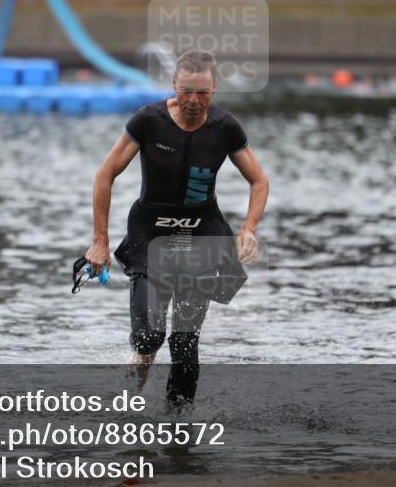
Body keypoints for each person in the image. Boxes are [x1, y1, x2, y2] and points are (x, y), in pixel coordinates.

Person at [84, 49, 269, 410]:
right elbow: (104, 177)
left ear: (214, 89)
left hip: (201, 235)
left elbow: (259, 181)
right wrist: (99, 244)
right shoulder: (149, 120)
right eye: (186, 91)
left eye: (202, 93)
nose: (193, 101)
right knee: (150, 336)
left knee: (185, 342)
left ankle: (177, 426)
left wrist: (249, 229)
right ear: (174, 85)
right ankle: (127, 398)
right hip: (150, 233)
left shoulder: (225, 127)